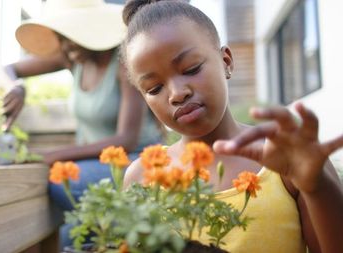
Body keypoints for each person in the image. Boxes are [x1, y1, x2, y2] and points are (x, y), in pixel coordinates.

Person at [121, 1, 343, 252]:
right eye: (154, 88)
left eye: (191, 69)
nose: (176, 93)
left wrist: (317, 187)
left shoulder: (285, 159)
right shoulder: (142, 176)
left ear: (226, 61)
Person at [1, 0, 163, 248]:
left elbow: (126, 138)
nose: (66, 45)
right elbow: (7, 70)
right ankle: (119, 232)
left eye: (72, 35)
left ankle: (138, 230)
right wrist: (16, 87)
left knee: (63, 184)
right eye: (61, 37)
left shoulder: (122, 62)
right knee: (71, 232)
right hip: (95, 164)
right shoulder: (72, 57)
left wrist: (52, 155)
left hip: (136, 159)